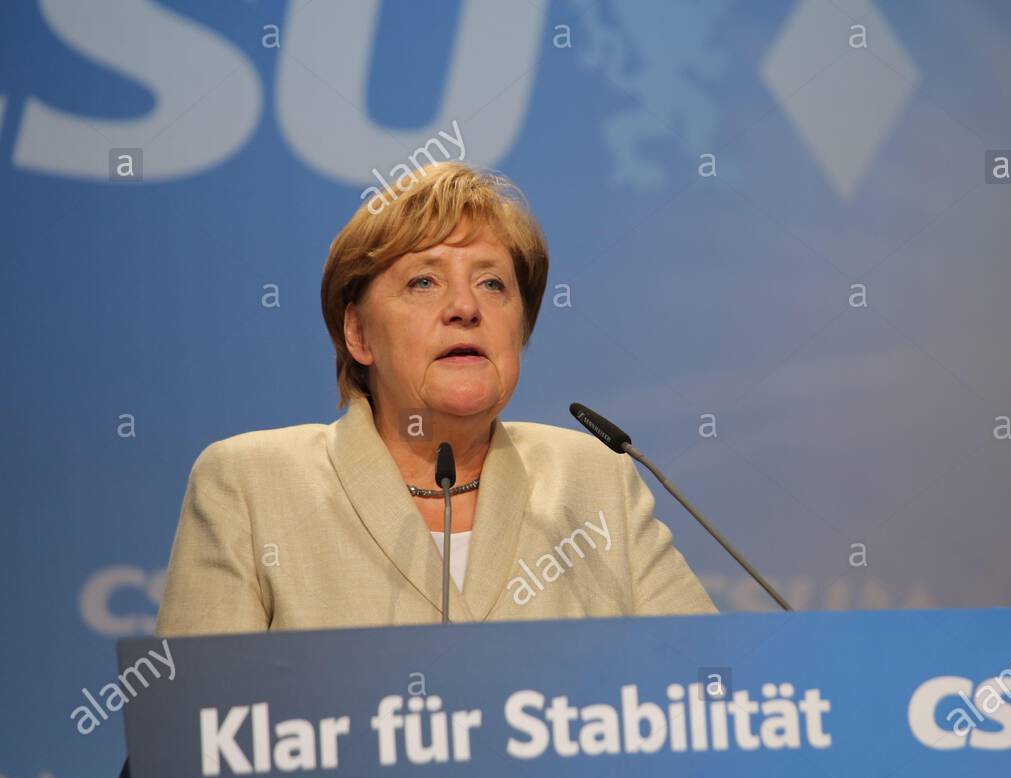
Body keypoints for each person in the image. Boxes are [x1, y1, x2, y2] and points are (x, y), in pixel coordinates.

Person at [155, 162, 717, 636]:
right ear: (357, 334)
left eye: (492, 283)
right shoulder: (253, 486)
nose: (465, 307)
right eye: (424, 282)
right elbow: (195, 738)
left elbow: (713, 690)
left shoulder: (595, 480)